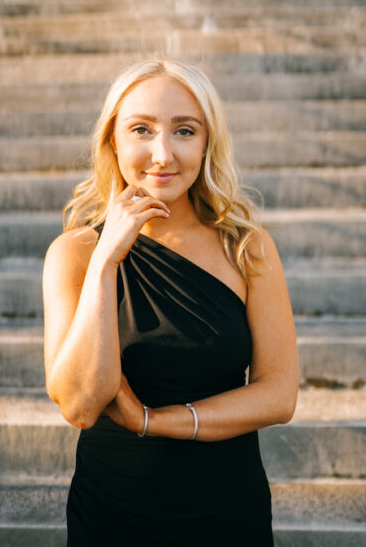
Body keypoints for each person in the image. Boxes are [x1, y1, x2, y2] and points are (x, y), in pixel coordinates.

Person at [42, 58, 299, 547]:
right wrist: (105, 262)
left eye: (184, 131)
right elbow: (79, 404)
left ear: (206, 143)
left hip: (227, 510)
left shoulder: (248, 247)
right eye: (141, 129)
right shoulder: (73, 254)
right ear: (113, 140)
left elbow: (279, 394)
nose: (162, 155)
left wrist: (158, 422)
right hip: (112, 511)